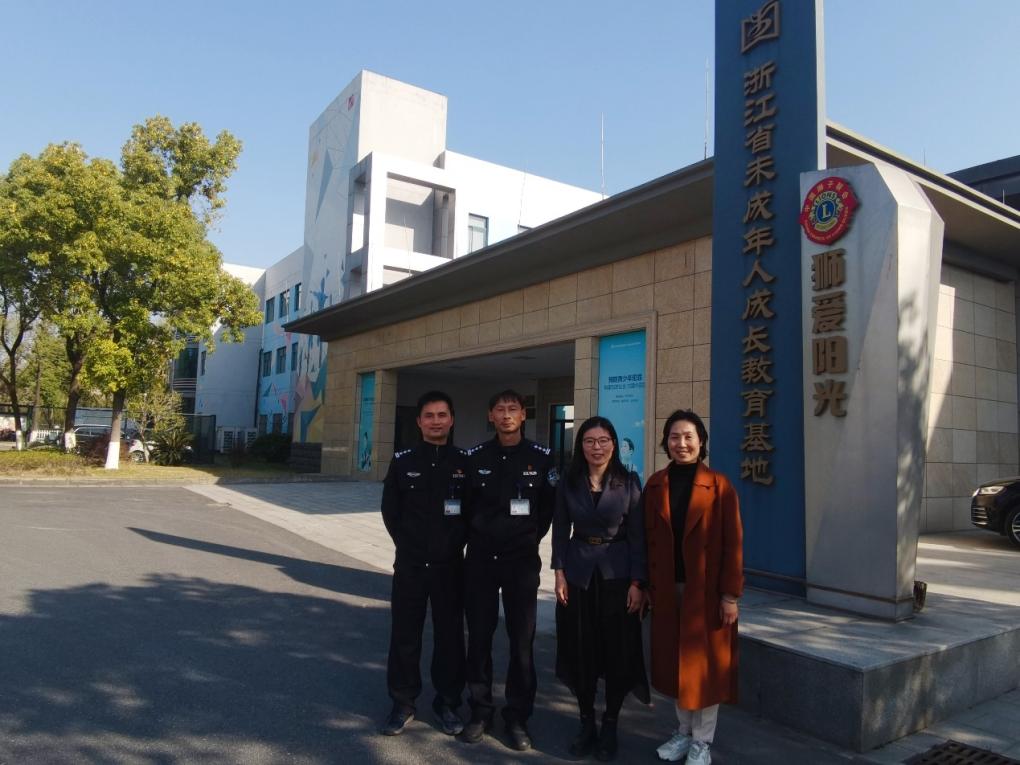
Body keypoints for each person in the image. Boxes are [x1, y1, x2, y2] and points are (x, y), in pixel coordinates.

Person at [643, 410, 743, 765]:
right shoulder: (655, 485)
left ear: (701, 442)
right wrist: (645, 585)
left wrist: (730, 595)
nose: (681, 443)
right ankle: (683, 733)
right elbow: (645, 541)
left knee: (705, 671)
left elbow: (733, 543)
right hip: (667, 591)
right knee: (676, 668)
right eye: (674, 436)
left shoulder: (719, 486)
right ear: (665, 442)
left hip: (707, 595)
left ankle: (702, 741)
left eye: (688, 436)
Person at [461, 389, 556, 751]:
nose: (506, 415)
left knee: (521, 642)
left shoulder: (542, 457)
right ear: (490, 416)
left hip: (521, 562)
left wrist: (526, 537)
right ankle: (480, 710)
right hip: (481, 561)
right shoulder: (475, 457)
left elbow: (547, 509)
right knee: (479, 637)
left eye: (512, 409)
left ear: (523, 414)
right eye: (499, 409)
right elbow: (466, 507)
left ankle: (517, 717)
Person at [551, 416, 650, 761]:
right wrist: (559, 573)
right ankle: (586, 722)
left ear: (614, 444)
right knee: (581, 649)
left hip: (617, 576)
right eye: (590, 441)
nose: (597, 447)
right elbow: (560, 530)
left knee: (617, 650)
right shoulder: (569, 481)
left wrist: (638, 583)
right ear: (581, 446)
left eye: (603, 440)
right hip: (578, 574)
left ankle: (610, 723)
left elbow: (638, 537)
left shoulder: (628, 482)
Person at [378, 391, 470, 738]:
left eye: (442, 415)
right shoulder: (403, 461)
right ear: (418, 422)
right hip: (411, 565)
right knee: (405, 635)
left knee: (450, 637)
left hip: (450, 566)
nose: (436, 421)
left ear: (452, 419)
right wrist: (409, 545)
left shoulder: (464, 461)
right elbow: (390, 510)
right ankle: (402, 703)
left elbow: (472, 512)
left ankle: (447, 703)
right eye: (429, 415)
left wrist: (454, 545)